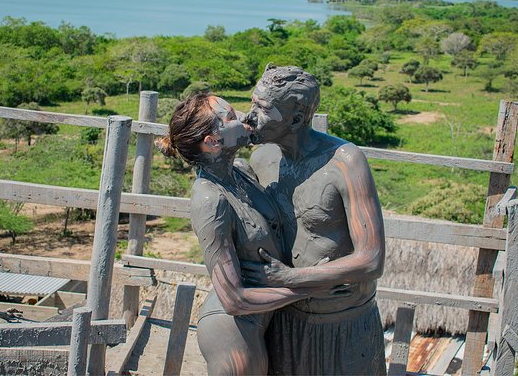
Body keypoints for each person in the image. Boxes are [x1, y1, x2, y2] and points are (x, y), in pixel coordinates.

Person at [157, 93, 330, 376]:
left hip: (263, 319)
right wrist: (307, 288)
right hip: (233, 332)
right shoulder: (210, 200)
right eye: (231, 117)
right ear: (212, 143)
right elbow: (233, 300)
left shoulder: (241, 171)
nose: (244, 117)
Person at [242, 64, 387, 375]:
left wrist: (292, 278)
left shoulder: (345, 162)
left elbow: (372, 259)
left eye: (263, 108)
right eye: (252, 102)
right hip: (285, 319)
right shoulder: (261, 158)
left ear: (296, 119)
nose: (249, 116)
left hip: (345, 325)